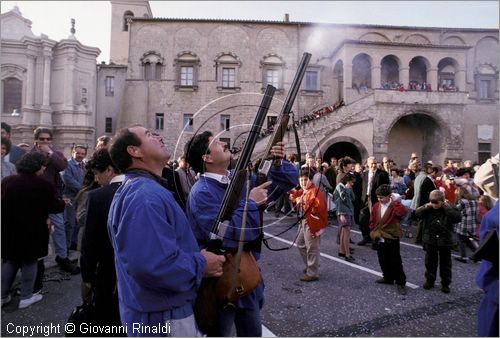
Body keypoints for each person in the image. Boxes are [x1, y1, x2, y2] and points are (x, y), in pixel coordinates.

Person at [107, 125, 225, 336]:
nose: (158, 135)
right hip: (163, 316)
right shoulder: (144, 196)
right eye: (149, 134)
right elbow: (154, 266)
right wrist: (202, 264)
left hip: (158, 310)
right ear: (135, 151)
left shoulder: (144, 190)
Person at [185, 131, 297, 336]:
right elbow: (226, 234)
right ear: (207, 158)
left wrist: (278, 163)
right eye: (216, 142)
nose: (223, 142)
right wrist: (252, 203)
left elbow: (285, 183)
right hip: (221, 282)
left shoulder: (237, 179)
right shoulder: (202, 192)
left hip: (246, 276)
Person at [1, 152, 66, 309]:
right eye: (42, 166)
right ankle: (26, 296)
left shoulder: (7, 181)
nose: (44, 169)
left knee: (11, 260)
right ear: (36, 166)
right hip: (33, 230)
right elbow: (54, 207)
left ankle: (2, 295)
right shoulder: (43, 185)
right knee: (30, 261)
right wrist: (63, 203)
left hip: (9, 229)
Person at [80, 148, 125, 331]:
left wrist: (87, 277)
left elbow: (89, 243)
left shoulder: (98, 197)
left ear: (109, 170)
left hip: (109, 275)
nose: (96, 180)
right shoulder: (149, 188)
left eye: (97, 174)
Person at [30, 127, 79, 275]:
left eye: (48, 139)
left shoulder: (55, 153)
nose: (45, 142)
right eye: (42, 139)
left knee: (59, 228)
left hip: (52, 197)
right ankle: (36, 262)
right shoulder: (30, 154)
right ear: (36, 140)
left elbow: (62, 166)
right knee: (37, 230)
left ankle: (62, 257)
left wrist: (50, 153)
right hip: (35, 199)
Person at [415, 190, 461, 293]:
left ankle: (445, 283)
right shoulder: (428, 207)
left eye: (437, 203)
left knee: (446, 263)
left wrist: (446, 207)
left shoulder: (449, 207)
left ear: (442, 201)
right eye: (433, 202)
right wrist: (426, 207)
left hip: (445, 240)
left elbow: (457, 218)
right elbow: (416, 214)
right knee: (430, 262)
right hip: (430, 238)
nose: (435, 205)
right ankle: (430, 280)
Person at [369, 185, 408, 295]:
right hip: (379, 236)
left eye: (381, 197)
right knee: (382, 259)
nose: (379, 199)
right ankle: (388, 277)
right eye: (378, 197)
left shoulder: (394, 205)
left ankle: (401, 282)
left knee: (395, 261)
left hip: (392, 236)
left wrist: (395, 202)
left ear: (389, 196)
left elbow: (402, 212)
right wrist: (372, 230)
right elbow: (372, 219)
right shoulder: (377, 205)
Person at [290, 168, 328, 281]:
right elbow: (296, 196)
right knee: (300, 243)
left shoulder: (315, 192)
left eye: (306, 180)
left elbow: (318, 207)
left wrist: (303, 202)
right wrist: (295, 197)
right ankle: (311, 265)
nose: (303, 182)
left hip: (312, 222)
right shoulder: (304, 191)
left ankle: (312, 272)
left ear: (311, 180)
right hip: (303, 221)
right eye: (301, 180)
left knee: (312, 247)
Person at [359, 156, 390, 246]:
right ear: (368, 164)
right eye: (372, 163)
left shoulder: (383, 174)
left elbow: (386, 187)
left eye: (375, 163)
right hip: (365, 199)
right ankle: (366, 237)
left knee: (375, 221)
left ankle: (375, 241)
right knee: (362, 219)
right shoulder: (364, 174)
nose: (373, 165)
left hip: (376, 200)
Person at [62, 145, 87, 250]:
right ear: (73, 153)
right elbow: (68, 180)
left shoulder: (85, 165)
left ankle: (74, 243)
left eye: (82, 153)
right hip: (70, 198)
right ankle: (66, 247)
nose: (80, 155)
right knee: (70, 223)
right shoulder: (67, 165)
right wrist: (83, 190)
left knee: (78, 222)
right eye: (78, 153)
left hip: (81, 198)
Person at [333, 173, 356, 262]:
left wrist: (349, 190)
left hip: (348, 211)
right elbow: (344, 198)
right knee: (347, 233)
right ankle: (347, 254)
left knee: (344, 232)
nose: (352, 184)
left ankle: (341, 250)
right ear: (347, 180)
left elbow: (353, 198)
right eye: (352, 182)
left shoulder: (347, 187)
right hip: (343, 212)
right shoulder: (340, 186)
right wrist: (347, 189)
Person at [454, 186, 480, 263]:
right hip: (471, 224)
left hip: (463, 224)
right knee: (468, 241)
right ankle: (478, 255)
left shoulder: (462, 202)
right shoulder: (474, 201)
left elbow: (456, 210)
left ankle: (463, 257)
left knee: (461, 240)